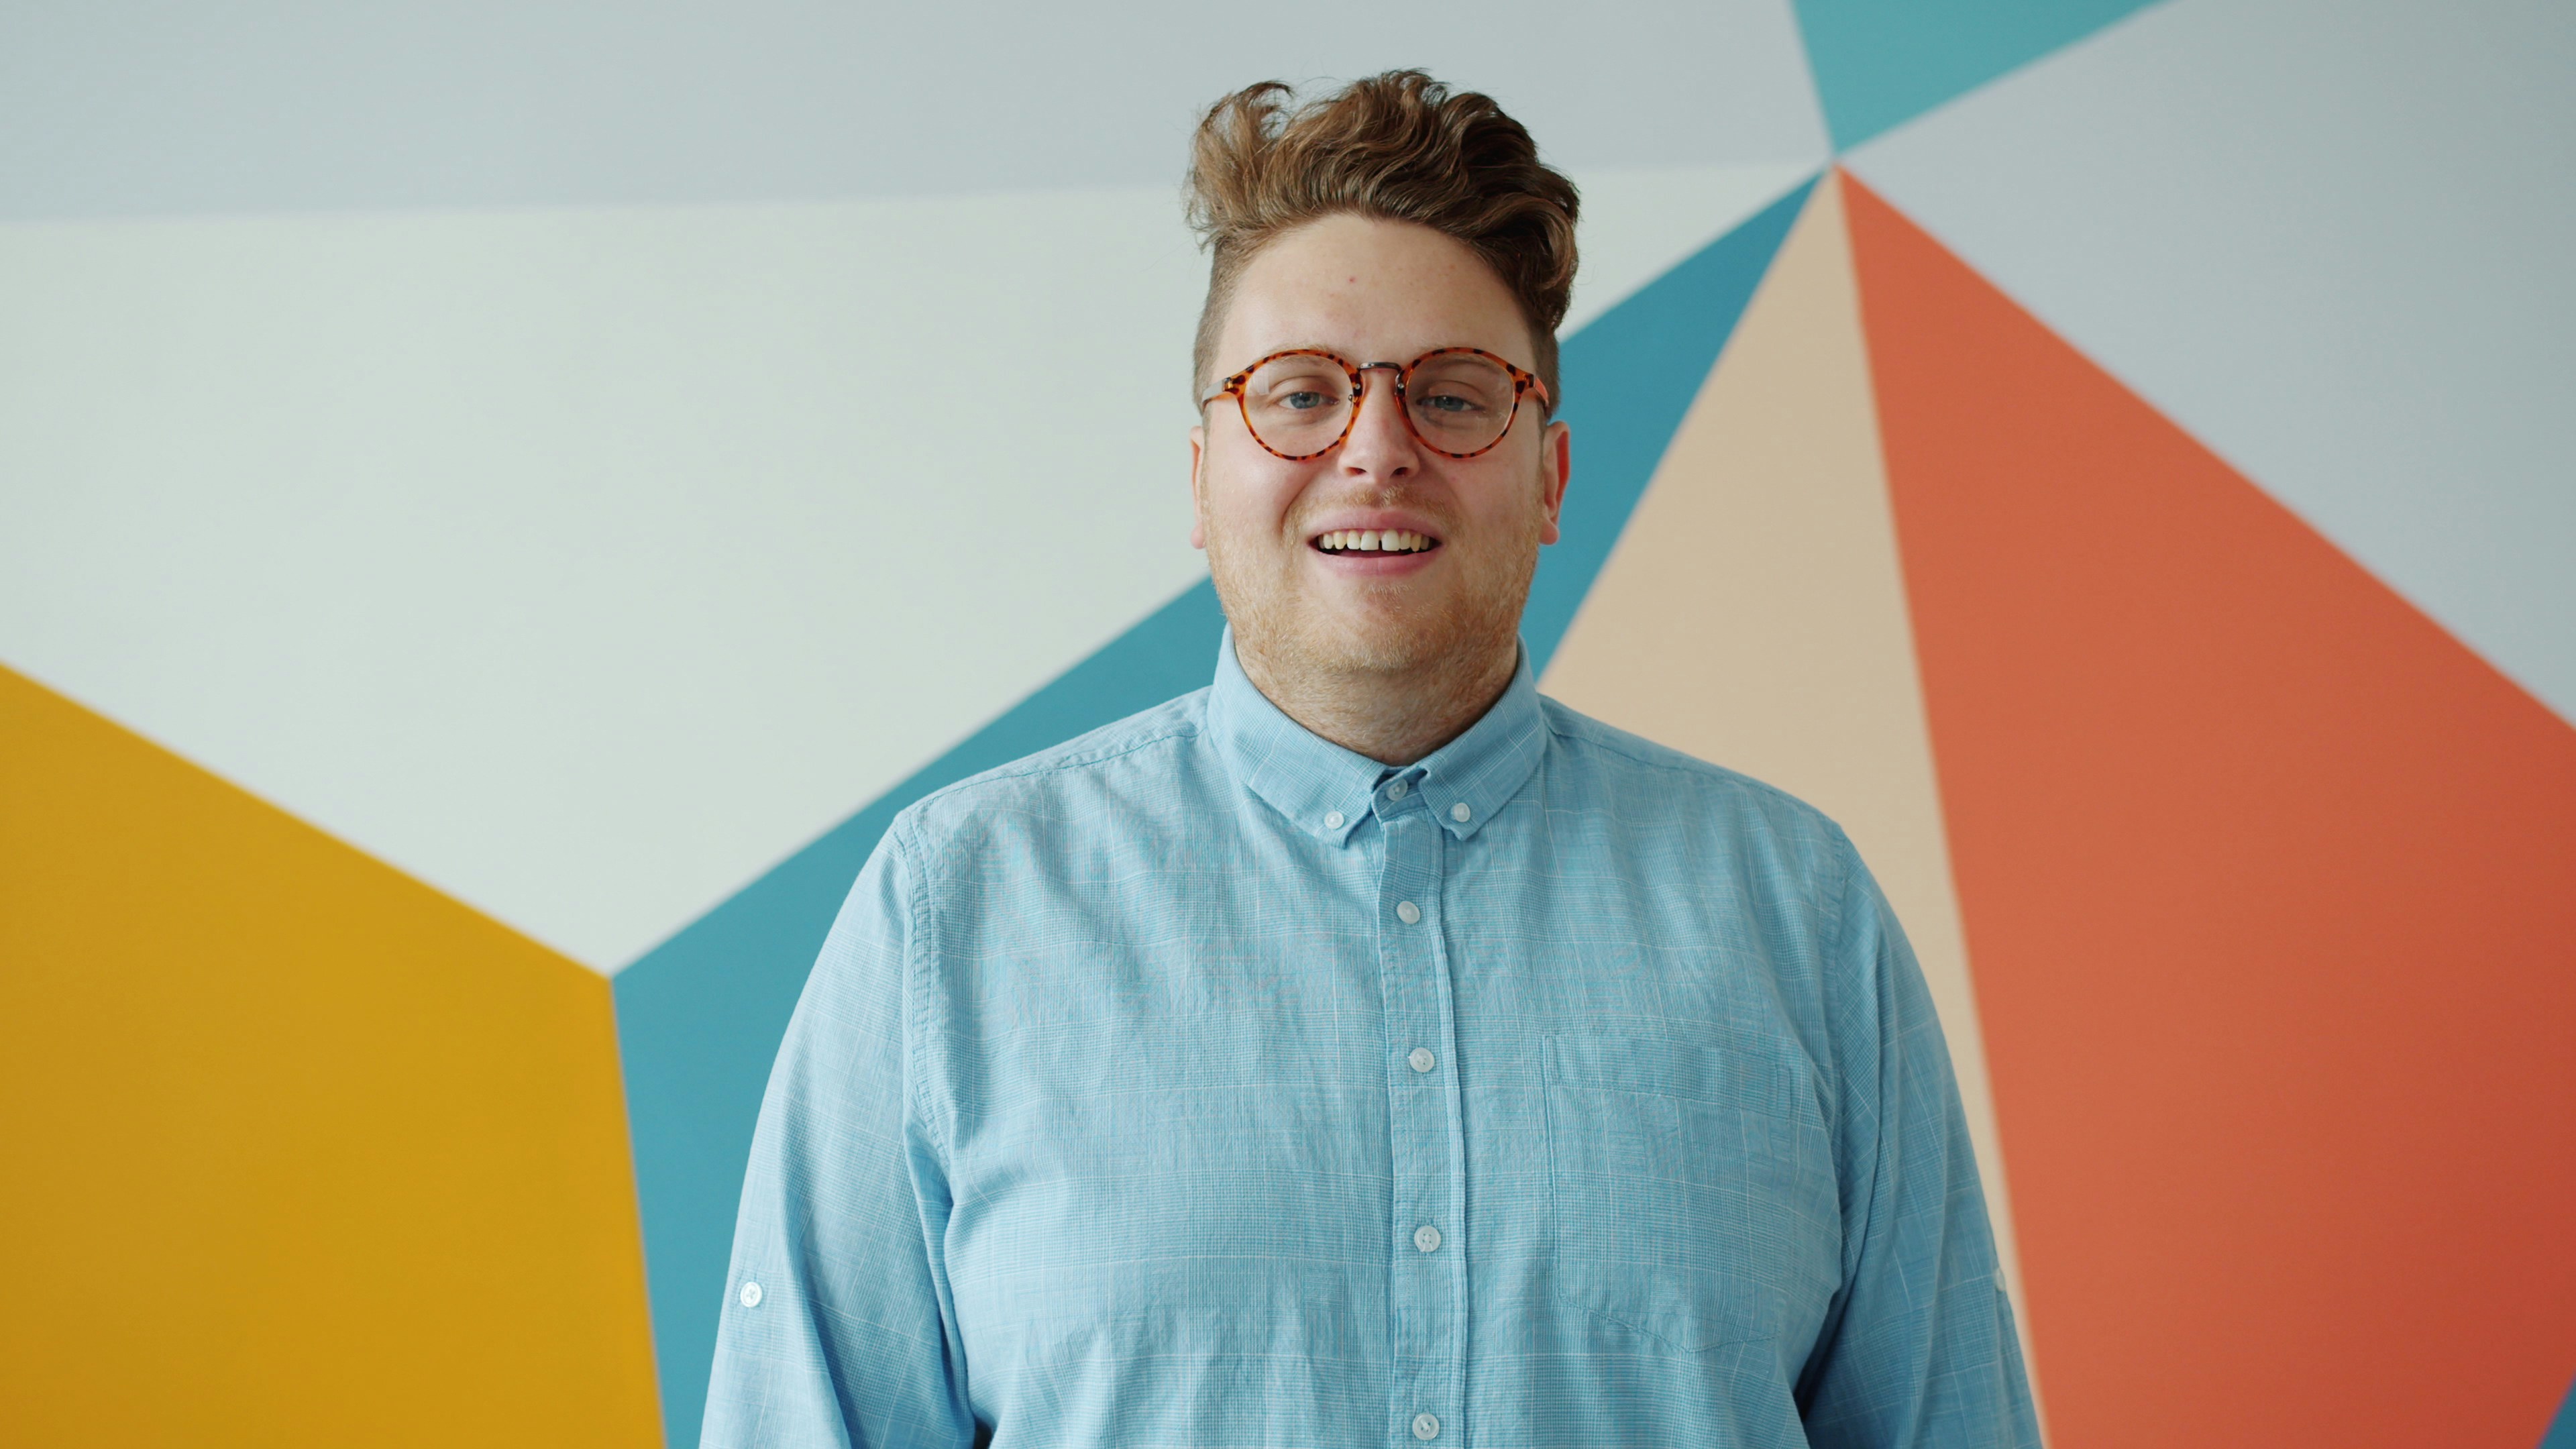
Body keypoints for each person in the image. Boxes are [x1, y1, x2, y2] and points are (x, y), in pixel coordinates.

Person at [702, 70, 2038, 1448]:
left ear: (1553, 479)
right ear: (1204, 477)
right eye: (1300, 395)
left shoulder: (1798, 920)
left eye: (1456, 398)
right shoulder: (952, 915)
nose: (1376, 451)